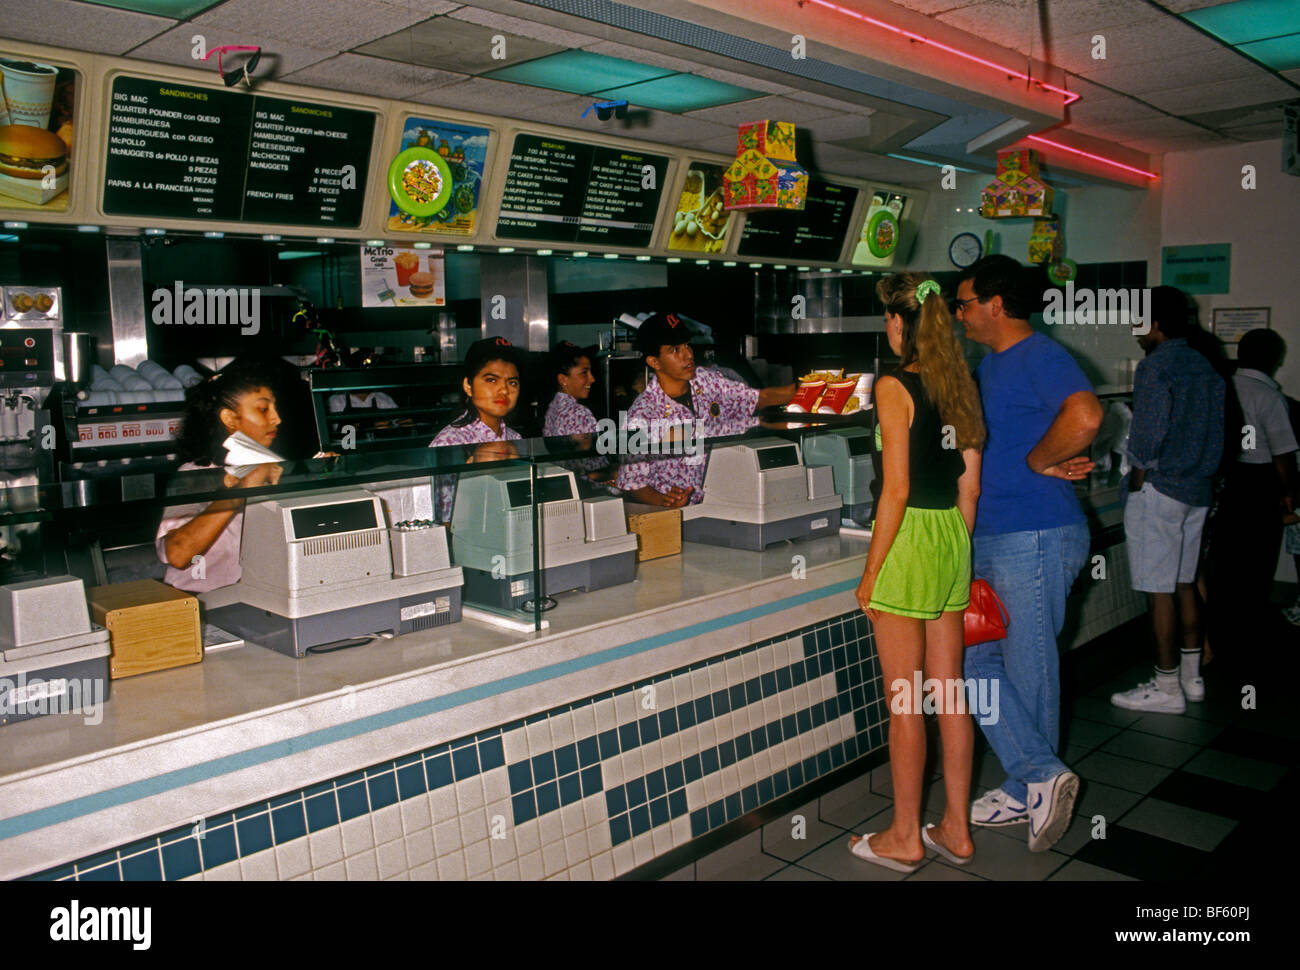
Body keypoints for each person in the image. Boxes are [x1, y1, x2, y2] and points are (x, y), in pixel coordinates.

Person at [953, 255, 1103, 852]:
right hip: (993, 536)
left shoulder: (1039, 354)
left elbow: (1087, 414)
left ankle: (1030, 785)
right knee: (976, 667)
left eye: (964, 303)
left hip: (1034, 535)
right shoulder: (990, 365)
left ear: (994, 304)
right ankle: (1034, 778)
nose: (959, 314)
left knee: (1026, 669)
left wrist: (1042, 460)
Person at [847, 275, 984, 873]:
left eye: (888, 319)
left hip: (908, 542)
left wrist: (871, 572)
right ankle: (956, 827)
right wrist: (954, 550)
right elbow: (970, 487)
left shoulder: (892, 385)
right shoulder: (961, 386)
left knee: (905, 701)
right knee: (949, 691)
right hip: (952, 534)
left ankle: (905, 836)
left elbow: (895, 490)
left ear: (900, 326)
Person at [1110, 286, 1224, 714]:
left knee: (1158, 592)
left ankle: (1166, 686)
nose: (1135, 330)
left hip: (1159, 490)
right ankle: (1193, 680)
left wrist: (1137, 479)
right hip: (1197, 490)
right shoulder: (1205, 364)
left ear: (1154, 323)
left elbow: (1146, 436)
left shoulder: (1155, 366)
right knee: (1183, 582)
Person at [615, 313, 796, 507]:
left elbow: (759, 399)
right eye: (675, 350)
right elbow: (633, 483)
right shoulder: (641, 416)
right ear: (654, 362)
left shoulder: (704, 380)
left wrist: (816, 387)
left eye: (687, 345)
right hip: (677, 515)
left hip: (724, 499)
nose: (688, 354)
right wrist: (665, 501)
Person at [156, 360, 285, 593]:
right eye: (263, 409)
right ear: (229, 419)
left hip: (254, 601)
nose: (277, 419)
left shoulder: (275, 468)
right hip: (197, 601)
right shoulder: (196, 474)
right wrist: (239, 492)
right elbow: (177, 553)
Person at [1208, 329, 1298, 659]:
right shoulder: (1269, 397)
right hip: (1259, 484)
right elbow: (1282, 454)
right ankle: (1249, 634)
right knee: (1257, 561)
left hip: (1226, 480)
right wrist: (1290, 492)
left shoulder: (1222, 386)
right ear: (1276, 360)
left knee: (1226, 559)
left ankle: (1219, 632)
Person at [428, 336, 523, 522]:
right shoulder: (449, 442)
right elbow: (443, 520)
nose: (504, 390)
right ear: (468, 386)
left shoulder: (515, 437)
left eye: (512, 382)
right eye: (491, 380)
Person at [543, 341, 611, 482]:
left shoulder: (553, 407)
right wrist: (613, 473)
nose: (592, 379)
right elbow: (589, 468)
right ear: (563, 379)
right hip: (590, 490)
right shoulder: (578, 412)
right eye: (584, 373)